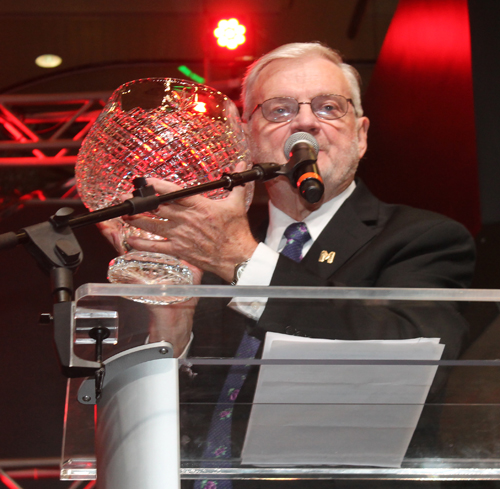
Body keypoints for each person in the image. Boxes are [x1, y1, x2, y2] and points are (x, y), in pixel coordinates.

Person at [100, 42, 475, 486]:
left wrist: (239, 258)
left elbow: (412, 360)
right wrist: (172, 323)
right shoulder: (203, 249)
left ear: (362, 135)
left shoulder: (423, 239)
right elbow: (166, 420)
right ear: (245, 138)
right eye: (278, 110)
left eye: (329, 107)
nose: (305, 121)